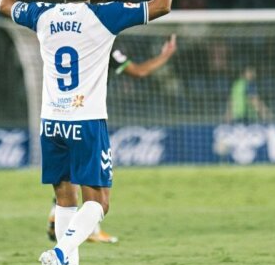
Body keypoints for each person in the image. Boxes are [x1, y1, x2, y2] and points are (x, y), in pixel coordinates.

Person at [0, 0, 178, 265]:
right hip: (87, 121)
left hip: (51, 122)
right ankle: (60, 255)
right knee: (99, 203)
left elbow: (4, 6)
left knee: (65, 200)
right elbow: (160, 5)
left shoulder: (43, 15)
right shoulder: (104, 16)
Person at [45, 36, 178, 244]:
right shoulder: (102, 38)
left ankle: (58, 214)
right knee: (99, 195)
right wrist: (165, 55)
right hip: (87, 117)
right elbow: (139, 71)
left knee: (67, 178)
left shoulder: (59, 34)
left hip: (56, 114)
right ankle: (75, 241)